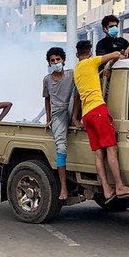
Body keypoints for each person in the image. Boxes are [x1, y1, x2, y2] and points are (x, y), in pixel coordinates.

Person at [72, 40, 129, 202]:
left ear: (76, 55)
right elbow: (115, 54)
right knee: (111, 149)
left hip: (87, 115)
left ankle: (107, 190)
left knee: (98, 153)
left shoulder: (77, 70)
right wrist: (120, 56)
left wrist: (103, 73)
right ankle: (120, 186)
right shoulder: (92, 62)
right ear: (90, 53)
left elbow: (81, 92)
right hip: (98, 112)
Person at [43, 47, 75, 200]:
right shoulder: (47, 79)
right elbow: (47, 99)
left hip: (72, 109)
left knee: (78, 92)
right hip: (58, 115)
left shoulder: (72, 74)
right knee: (61, 147)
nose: (56, 63)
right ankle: (63, 188)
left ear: (63, 60)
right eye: (53, 61)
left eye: (58, 60)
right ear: (49, 63)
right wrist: (48, 118)